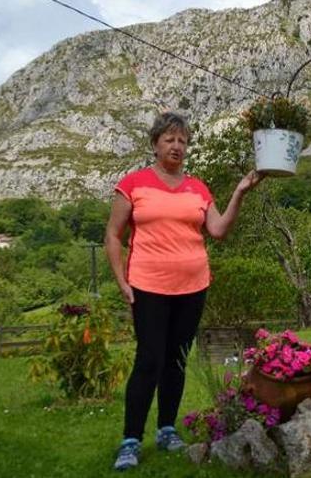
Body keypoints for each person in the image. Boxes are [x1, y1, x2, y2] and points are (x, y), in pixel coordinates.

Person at [105, 111, 263, 471]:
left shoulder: (198, 187)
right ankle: (131, 440)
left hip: (193, 287)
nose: (176, 146)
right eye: (169, 139)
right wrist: (121, 282)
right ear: (156, 143)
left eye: (182, 141)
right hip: (148, 285)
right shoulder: (133, 184)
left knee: (176, 361)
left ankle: (166, 430)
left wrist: (239, 192)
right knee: (149, 360)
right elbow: (113, 236)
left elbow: (218, 230)